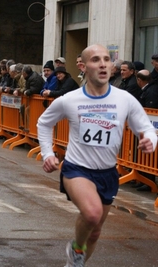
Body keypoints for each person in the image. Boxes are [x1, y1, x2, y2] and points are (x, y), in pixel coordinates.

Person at [37, 44, 157, 267]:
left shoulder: (125, 99)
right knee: (91, 214)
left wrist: (150, 139)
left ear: (111, 66)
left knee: (95, 231)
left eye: (106, 59)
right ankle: (76, 250)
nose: (102, 64)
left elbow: (147, 127)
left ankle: (76, 258)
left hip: (108, 173)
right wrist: (47, 154)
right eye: (95, 60)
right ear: (83, 66)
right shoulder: (69, 99)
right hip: (76, 169)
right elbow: (44, 123)